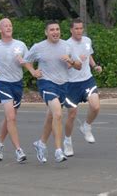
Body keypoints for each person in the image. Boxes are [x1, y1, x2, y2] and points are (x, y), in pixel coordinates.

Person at [24, 21, 81, 163]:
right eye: (52, 30)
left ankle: (41, 143)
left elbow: (79, 65)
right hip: (46, 83)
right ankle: (58, 150)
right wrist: (32, 71)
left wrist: (71, 61)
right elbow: (26, 61)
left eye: (57, 29)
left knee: (51, 117)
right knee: (58, 113)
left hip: (63, 84)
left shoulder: (67, 46)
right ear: (46, 32)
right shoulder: (39, 47)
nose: (55, 32)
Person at [0, 18, 28, 163]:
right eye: (5, 26)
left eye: (10, 25)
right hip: (3, 83)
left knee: (10, 117)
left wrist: (25, 62)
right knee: (11, 117)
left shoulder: (20, 45)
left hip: (17, 84)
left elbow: (29, 61)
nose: (8, 28)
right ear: (0, 29)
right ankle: (18, 150)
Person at [62, 19, 103, 157]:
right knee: (72, 115)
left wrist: (94, 66)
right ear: (71, 30)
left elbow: (89, 55)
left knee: (96, 106)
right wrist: (77, 60)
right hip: (71, 84)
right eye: (76, 29)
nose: (79, 31)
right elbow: (66, 66)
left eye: (81, 28)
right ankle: (67, 141)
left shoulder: (87, 40)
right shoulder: (66, 45)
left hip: (87, 80)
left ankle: (86, 126)